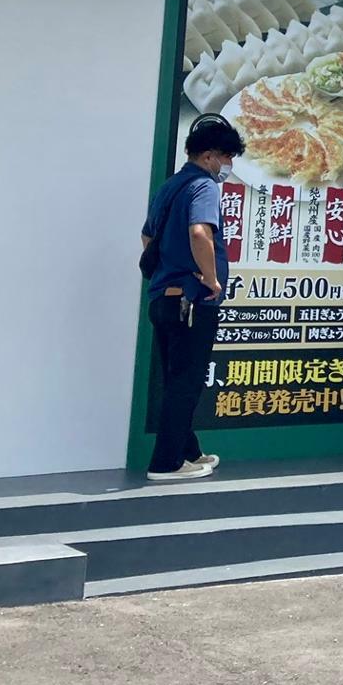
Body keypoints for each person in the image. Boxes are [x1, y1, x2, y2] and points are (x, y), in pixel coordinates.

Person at [139, 114, 245, 482]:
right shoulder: (203, 187)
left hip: (163, 300)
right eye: (227, 157)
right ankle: (166, 464)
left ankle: (190, 452)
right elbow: (200, 233)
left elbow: (147, 239)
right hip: (191, 302)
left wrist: (169, 269)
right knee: (186, 381)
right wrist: (212, 280)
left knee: (175, 378)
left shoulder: (169, 187)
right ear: (210, 155)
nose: (228, 166)